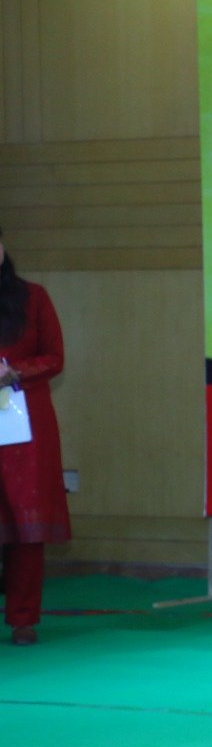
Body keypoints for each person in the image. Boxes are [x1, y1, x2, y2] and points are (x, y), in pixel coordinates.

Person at [0, 229, 70, 647]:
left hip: (24, 423)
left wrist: (15, 373)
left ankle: (23, 619)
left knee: (26, 521)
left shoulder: (34, 297)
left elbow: (55, 357)